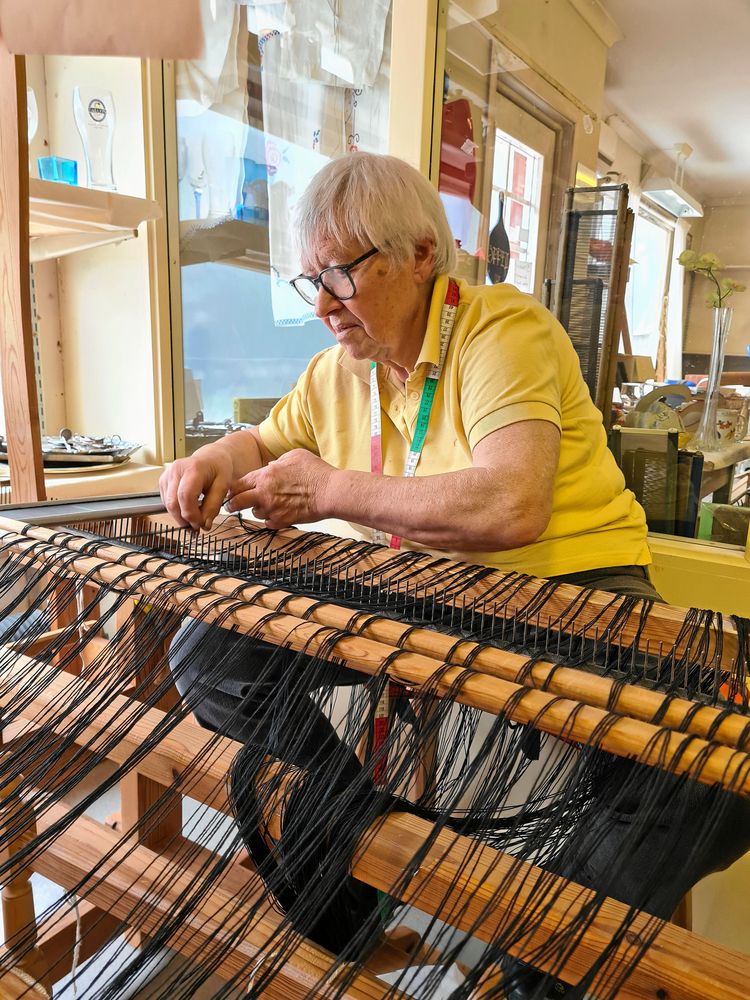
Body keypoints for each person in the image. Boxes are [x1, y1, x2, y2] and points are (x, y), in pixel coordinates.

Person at [160, 153, 749, 997]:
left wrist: (328, 488)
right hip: (427, 590)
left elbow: (511, 506)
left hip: (575, 588)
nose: (322, 306)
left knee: (708, 764)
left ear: (421, 257)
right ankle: (352, 850)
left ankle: (537, 963)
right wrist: (213, 458)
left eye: (340, 275)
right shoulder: (342, 367)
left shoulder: (501, 330)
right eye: (309, 282)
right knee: (212, 651)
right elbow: (263, 440)